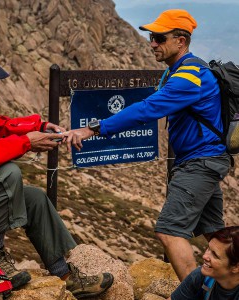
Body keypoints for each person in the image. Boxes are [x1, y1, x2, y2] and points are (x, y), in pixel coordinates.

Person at [0, 36, 113, 298]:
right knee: (8, 173)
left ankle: (64, 274)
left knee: (35, 198)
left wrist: (38, 127)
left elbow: (0, 126)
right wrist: (25, 143)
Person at [65, 9, 231, 281]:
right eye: (151, 37)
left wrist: (93, 128)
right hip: (205, 160)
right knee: (215, 234)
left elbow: (148, 108)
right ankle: (228, 288)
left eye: (158, 37)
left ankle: (196, 294)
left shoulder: (189, 76)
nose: (152, 43)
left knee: (169, 231)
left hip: (200, 163)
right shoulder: (177, 72)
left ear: (180, 41)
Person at [168, 226, 239, 299]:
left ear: (236, 267)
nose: (204, 256)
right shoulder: (201, 276)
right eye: (208, 248)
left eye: (215, 255)